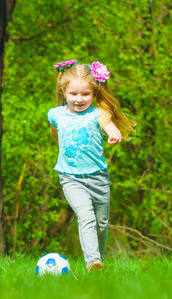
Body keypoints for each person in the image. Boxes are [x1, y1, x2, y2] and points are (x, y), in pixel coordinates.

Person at [47, 60, 136, 271]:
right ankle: (92, 262)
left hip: (98, 178)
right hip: (71, 178)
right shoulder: (55, 114)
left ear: (94, 94)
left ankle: (99, 261)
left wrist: (114, 133)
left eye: (85, 94)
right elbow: (56, 133)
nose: (79, 99)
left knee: (101, 223)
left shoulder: (99, 114)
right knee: (85, 216)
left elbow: (109, 126)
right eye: (74, 94)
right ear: (64, 92)